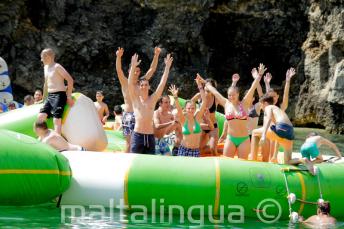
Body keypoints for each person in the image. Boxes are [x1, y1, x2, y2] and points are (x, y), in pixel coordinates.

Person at [204, 65, 266, 159]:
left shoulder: (244, 103)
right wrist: (206, 84)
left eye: (233, 95)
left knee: (242, 164)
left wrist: (259, 75)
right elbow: (215, 92)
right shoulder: (226, 103)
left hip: (244, 139)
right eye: (229, 95)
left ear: (238, 94)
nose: (231, 97)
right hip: (230, 138)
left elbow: (252, 88)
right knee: (227, 163)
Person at [116, 47, 161, 152]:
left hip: (142, 116)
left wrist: (156, 55)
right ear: (130, 71)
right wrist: (118, 57)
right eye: (134, 70)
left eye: (138, 71)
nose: (136, 73)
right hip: (129, 115)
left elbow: (152, 69)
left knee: (144, 142)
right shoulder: (125, 83)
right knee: (129, 144)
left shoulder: (142, 84)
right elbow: (119, 70)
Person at [128, 53, 173, 154]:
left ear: (149, 87)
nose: (144, 87)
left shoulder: (152, 99)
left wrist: (167, 68)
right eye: (142, 85)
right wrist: (133, 67)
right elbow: (130, 84)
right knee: (134, 159)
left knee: (149, 161)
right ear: (139, 87)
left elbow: (162, 83)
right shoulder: (135, 99)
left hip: (149, 135)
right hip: (137, 135)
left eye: (146, 85)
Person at [250, 68, 296, 162]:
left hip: (274, 136)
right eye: (271, 96)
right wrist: (258, 80)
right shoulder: (266, 105)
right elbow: (261, 94)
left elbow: (286, 95)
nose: (273, 98)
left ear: (278, 97)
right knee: (264, 158)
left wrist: (287, 81)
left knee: (272, 158)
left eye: (274, 96)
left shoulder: (280, 107)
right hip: (267, 133)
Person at [37, 48, 74, 135]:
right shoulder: (45, 67)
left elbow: (70, 80)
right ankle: (42, 137)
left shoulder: (57, 67)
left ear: (48, 56)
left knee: (56, 120)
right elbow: (46, 84)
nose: (41, 60)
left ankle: (58, 142)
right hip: (50, 96)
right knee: (40, 117)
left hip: (59, 95)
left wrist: (68, 96)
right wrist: (43, 98)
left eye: (42, 57)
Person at [169, 75, 208, 157]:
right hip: (184, 149)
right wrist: (175, 97)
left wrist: (200, 85)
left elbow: (204, 101)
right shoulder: (183, 119)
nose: (191, 110)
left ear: (195, 108)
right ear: (186, 109)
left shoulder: (197, 118)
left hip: (195, 151)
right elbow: (179, 109)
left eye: (193, 108)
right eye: (189, 108)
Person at [259, 94, 295, 165]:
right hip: (291, 130)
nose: (261, 107)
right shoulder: (278, 110)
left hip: (282, 126)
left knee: (254, 132)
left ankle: (253, 160)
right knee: (288, 161)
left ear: (265, 103)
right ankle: (303, 160)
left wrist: (263, 135)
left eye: (261, 104)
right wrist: (275, 155)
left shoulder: (268, 107)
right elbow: (278, 137)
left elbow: (269, 118)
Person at [191, 77, 218, 156]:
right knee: (199, 150)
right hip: (202, 126)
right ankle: (219, 149)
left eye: (210, 86)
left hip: (213, 126)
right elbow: (189, 103)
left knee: (212, 148)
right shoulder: (199, 95)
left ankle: (217, 163)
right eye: (206, 85)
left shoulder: (215, 97)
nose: (207, 88)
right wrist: (194, 112)